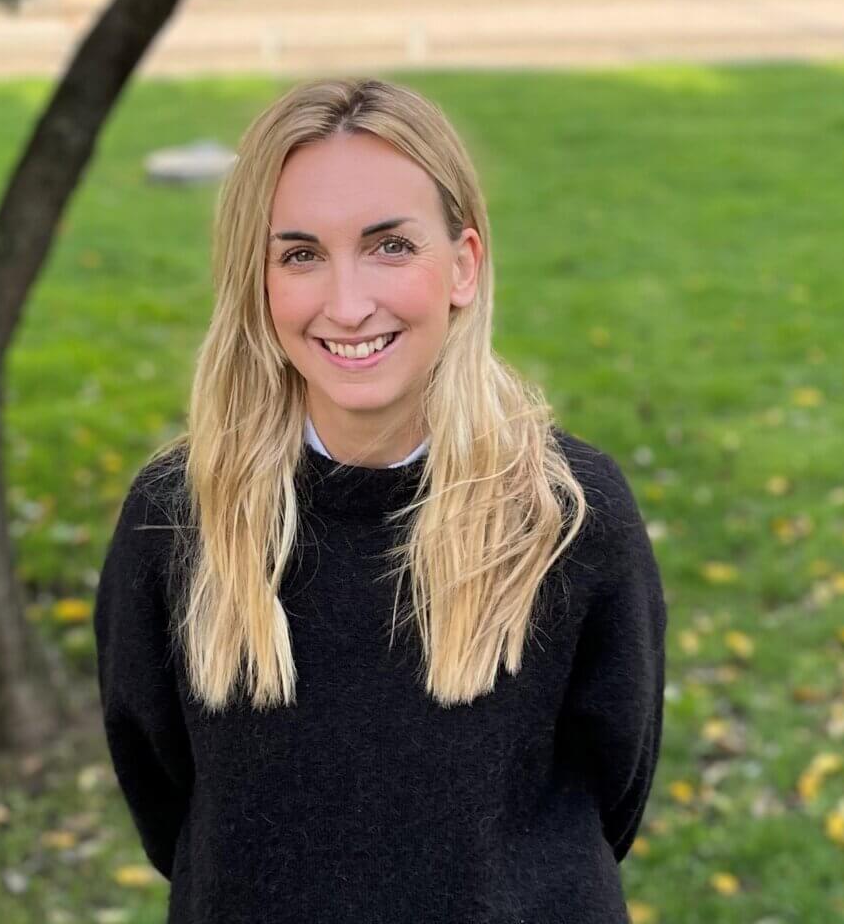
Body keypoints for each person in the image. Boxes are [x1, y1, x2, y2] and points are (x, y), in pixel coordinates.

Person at [92, 77, 668, 924]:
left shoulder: (570, 515)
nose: (349, 302)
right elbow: (162, 790)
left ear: (463, 265)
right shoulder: (176, 519)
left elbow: (610, 788)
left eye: (390, 246)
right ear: (256, 281)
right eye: (300, 254)